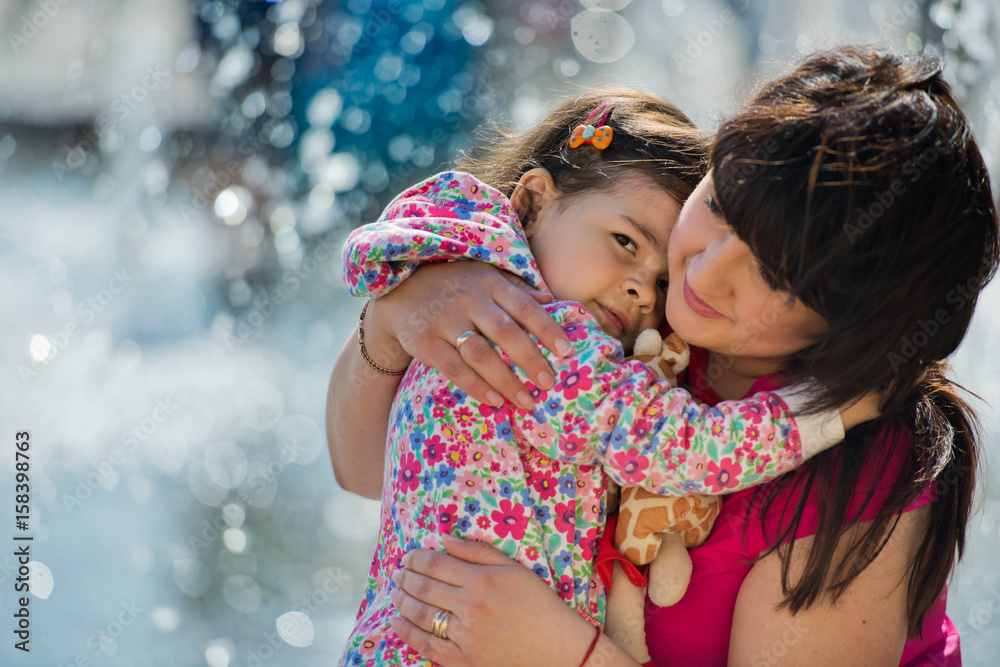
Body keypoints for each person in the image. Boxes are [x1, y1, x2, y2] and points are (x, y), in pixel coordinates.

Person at [327, 47, 999, 665]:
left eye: (774, 276)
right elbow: (365, 474)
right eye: (723, 206)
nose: (702, 276)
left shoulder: (864, 468)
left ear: (849, 324)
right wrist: (393, 322)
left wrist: (566, 654)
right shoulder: (632, 329)